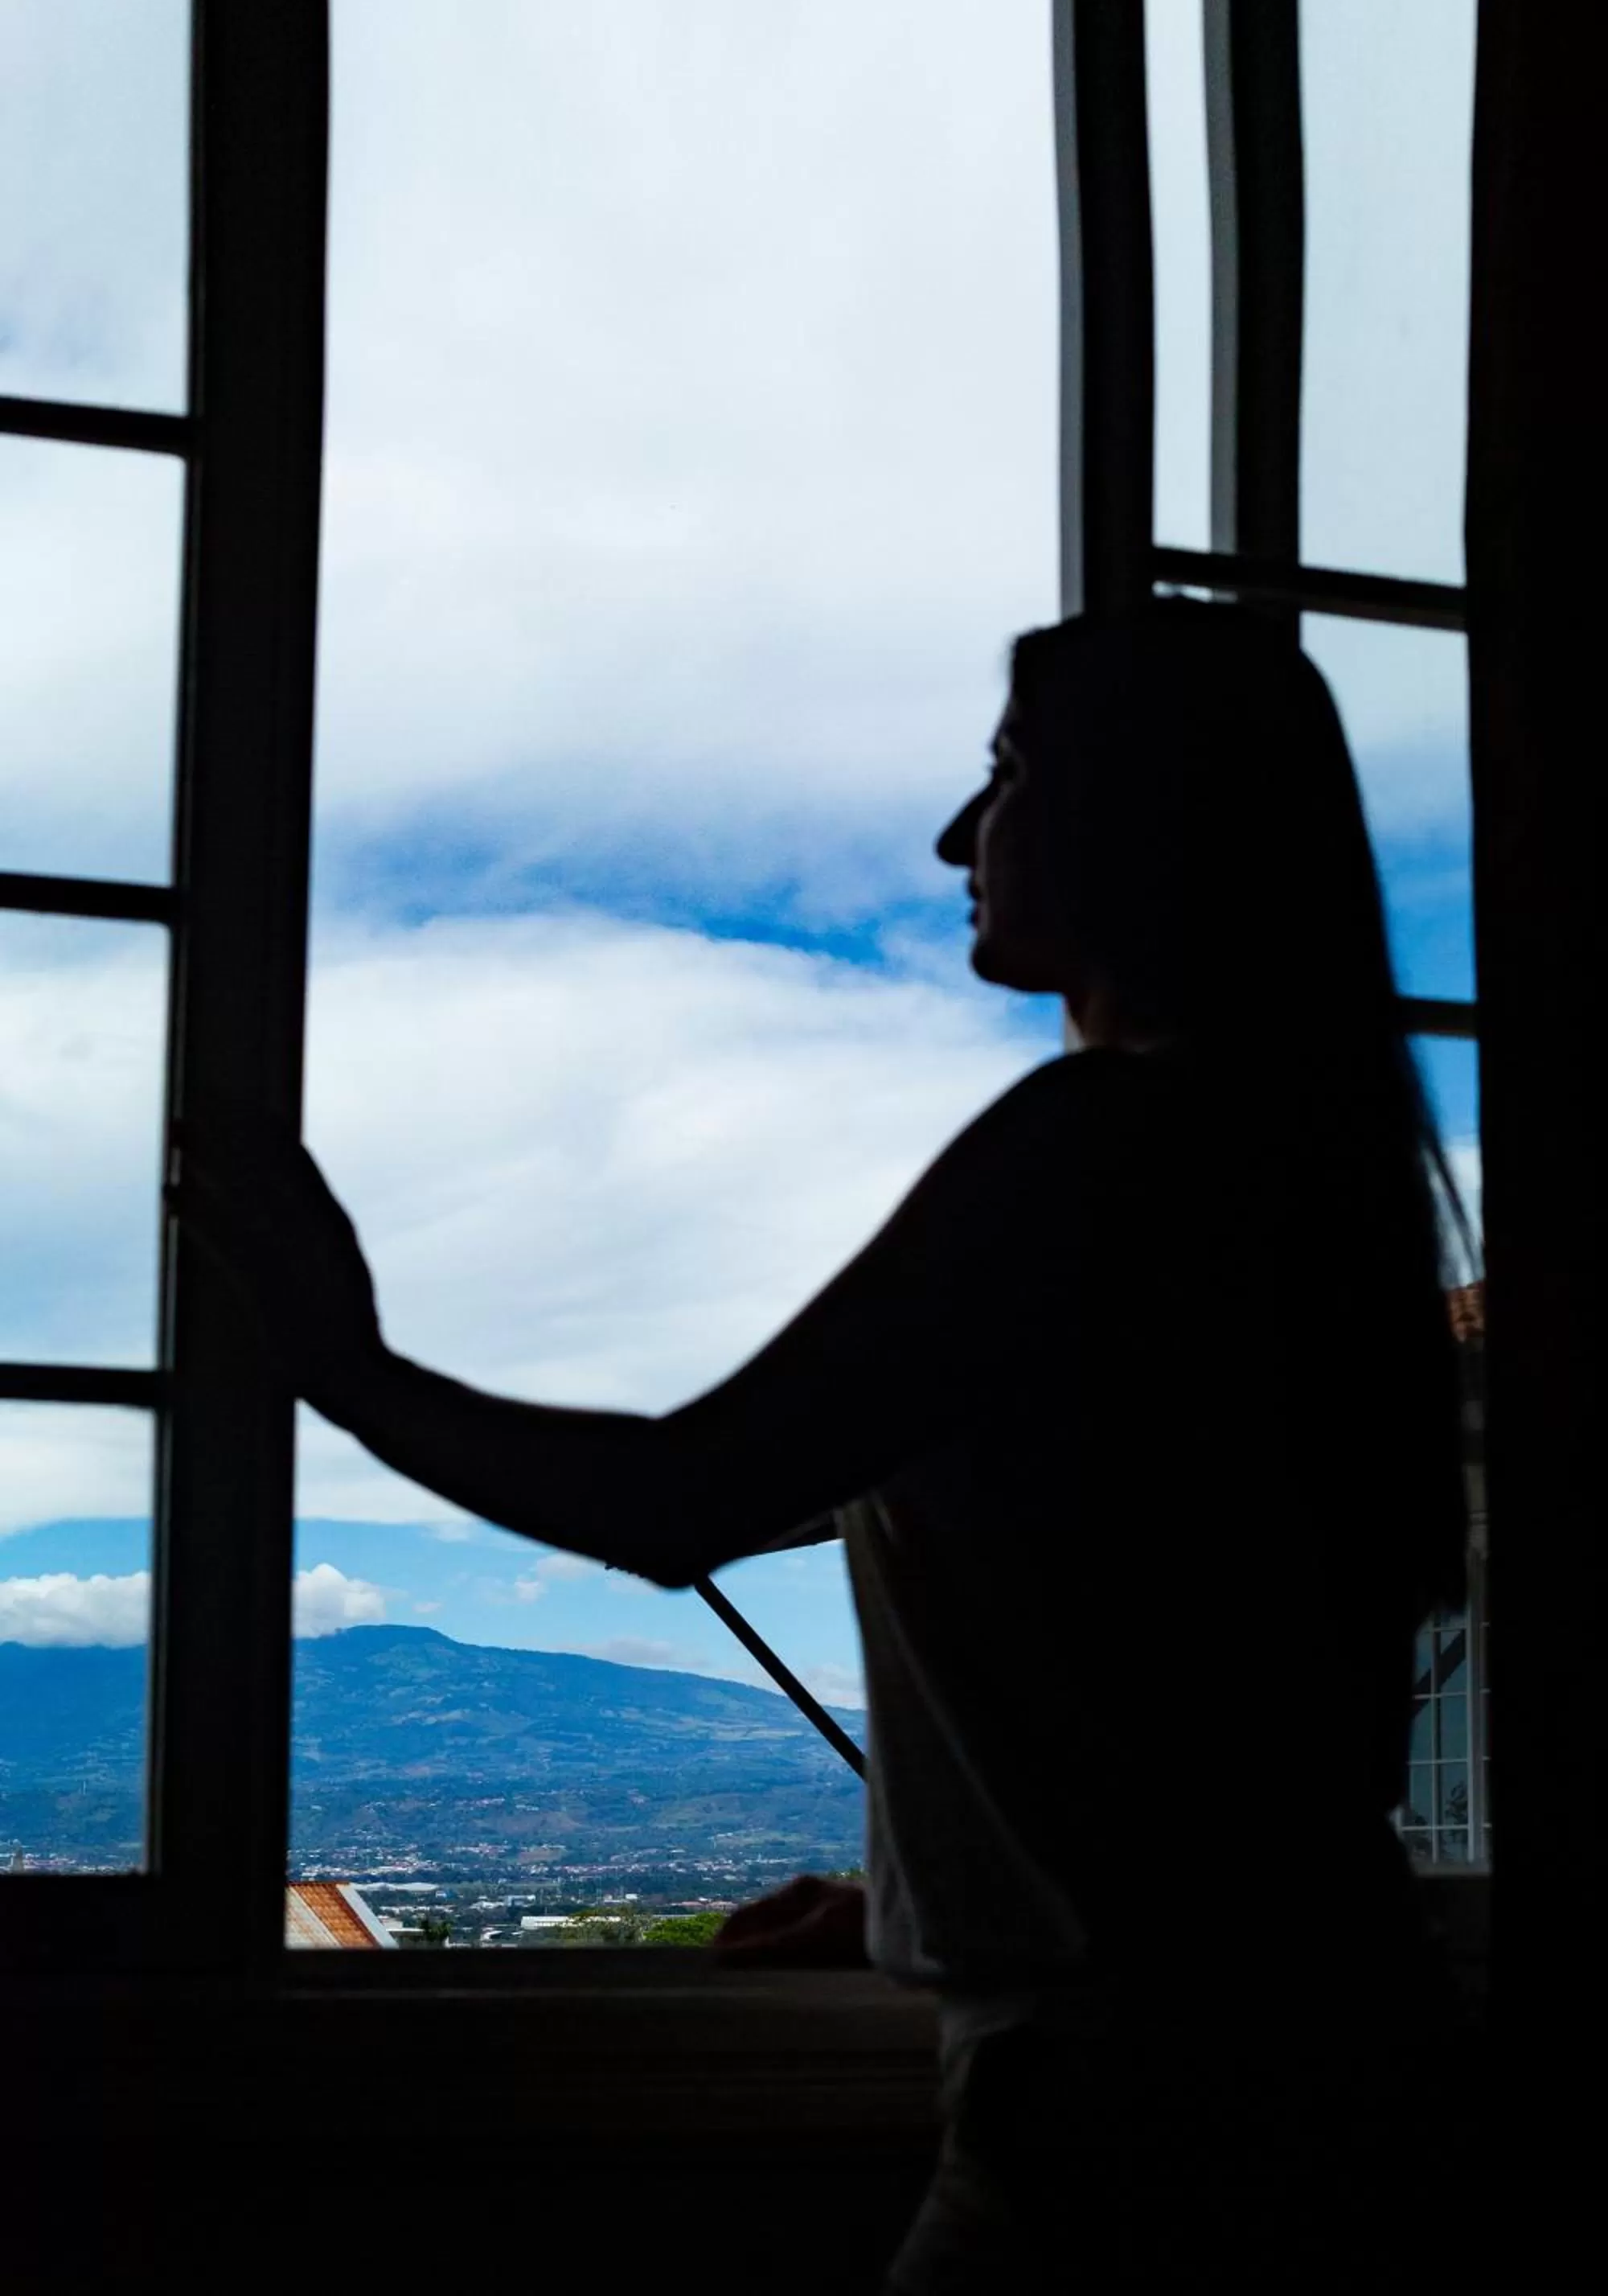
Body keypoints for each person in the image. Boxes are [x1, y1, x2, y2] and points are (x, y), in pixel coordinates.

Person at [175, 600, 1476, 2290]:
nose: (956, 832)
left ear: (1144, 818)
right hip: (1318, 2055)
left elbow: (679, 1494)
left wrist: (340, 1364)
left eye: (1004, 773)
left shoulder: (1096, 1158)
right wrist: (926, 1893)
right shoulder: (1292, 1188)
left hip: (1137, 2116)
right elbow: (1207, 1698)